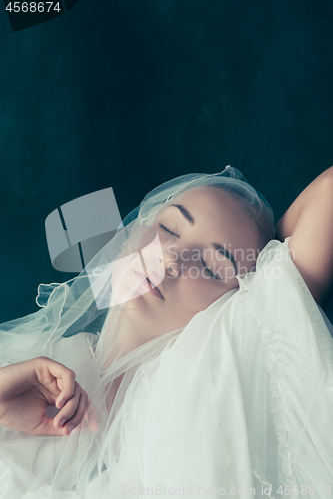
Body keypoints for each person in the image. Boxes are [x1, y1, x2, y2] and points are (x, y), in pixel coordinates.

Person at [0, 165, 333, 498]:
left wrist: (266, 255)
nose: (171, 257)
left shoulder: (196, 397)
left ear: (243, 306)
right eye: (168, 228)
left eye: (210, 266)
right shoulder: (26, 364)